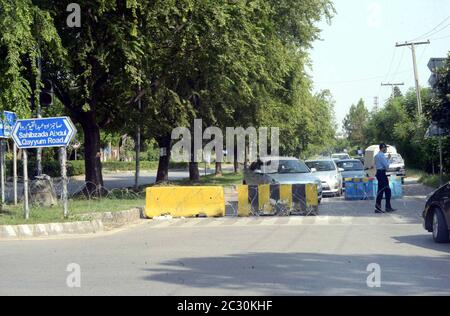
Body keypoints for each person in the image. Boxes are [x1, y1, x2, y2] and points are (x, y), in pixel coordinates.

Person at [374, 143, 397, 213]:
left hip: (379, 173)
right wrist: (389, 159)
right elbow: (386, 166)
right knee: (386, 191)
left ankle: (381, 207)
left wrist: (386, 159)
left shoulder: (377, 155)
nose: (386, 149)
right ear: (382, 148)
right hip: (382, 173)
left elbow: (382, 164)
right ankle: (385, 207)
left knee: (381, 191)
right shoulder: (381, 155)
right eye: (385, 148)